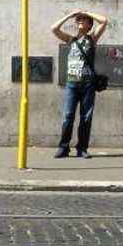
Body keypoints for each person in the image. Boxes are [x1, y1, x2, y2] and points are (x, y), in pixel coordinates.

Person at [50, 9, 108, 159]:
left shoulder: (92, 39)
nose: (80, 20)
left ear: (89, 24)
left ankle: (82, 148)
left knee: (86, 117)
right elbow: (54, 28)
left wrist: (87, 12)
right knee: (68, 116)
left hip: (87, 84)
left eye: (84, 19)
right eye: (79, 19)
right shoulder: (71, 40)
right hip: (72, 84)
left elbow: (104, 21)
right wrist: (70, 15)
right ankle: (64, 147)